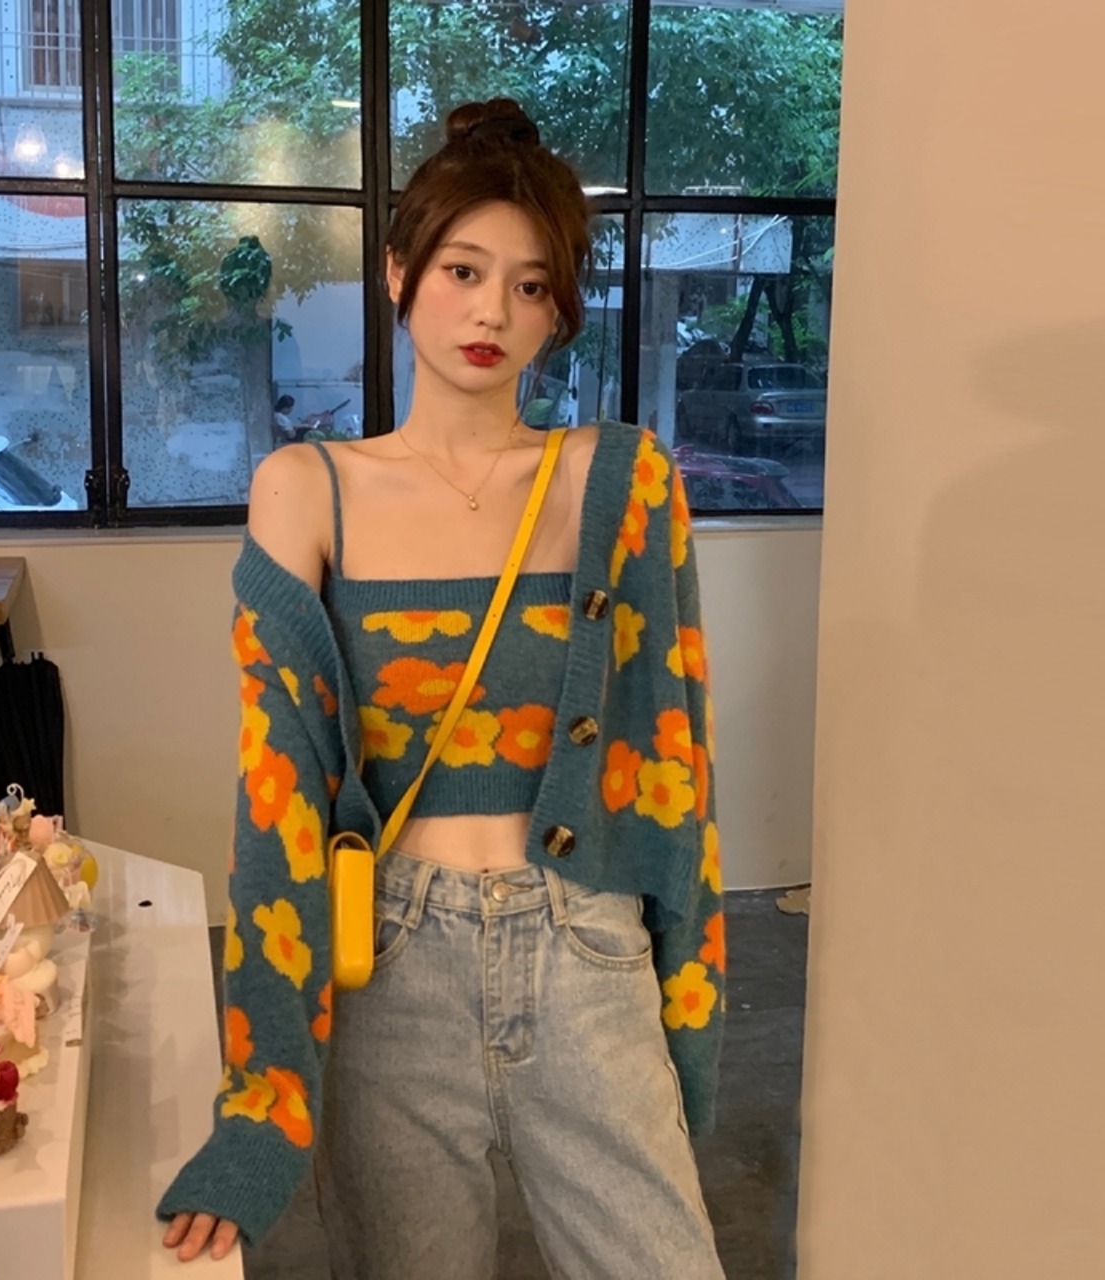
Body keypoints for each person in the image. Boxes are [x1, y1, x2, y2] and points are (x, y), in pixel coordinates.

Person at [157, 98, 727, 1278]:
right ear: (398, 272)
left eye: (529, 285)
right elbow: (278, 799)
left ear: (558, 309)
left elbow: (673, 765)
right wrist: (261, 1105)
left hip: (583, 940)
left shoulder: (622, 482)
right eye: (463, 270)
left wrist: (690, 1003)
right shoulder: (306, 488)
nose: (490, 312)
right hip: (390, 963)